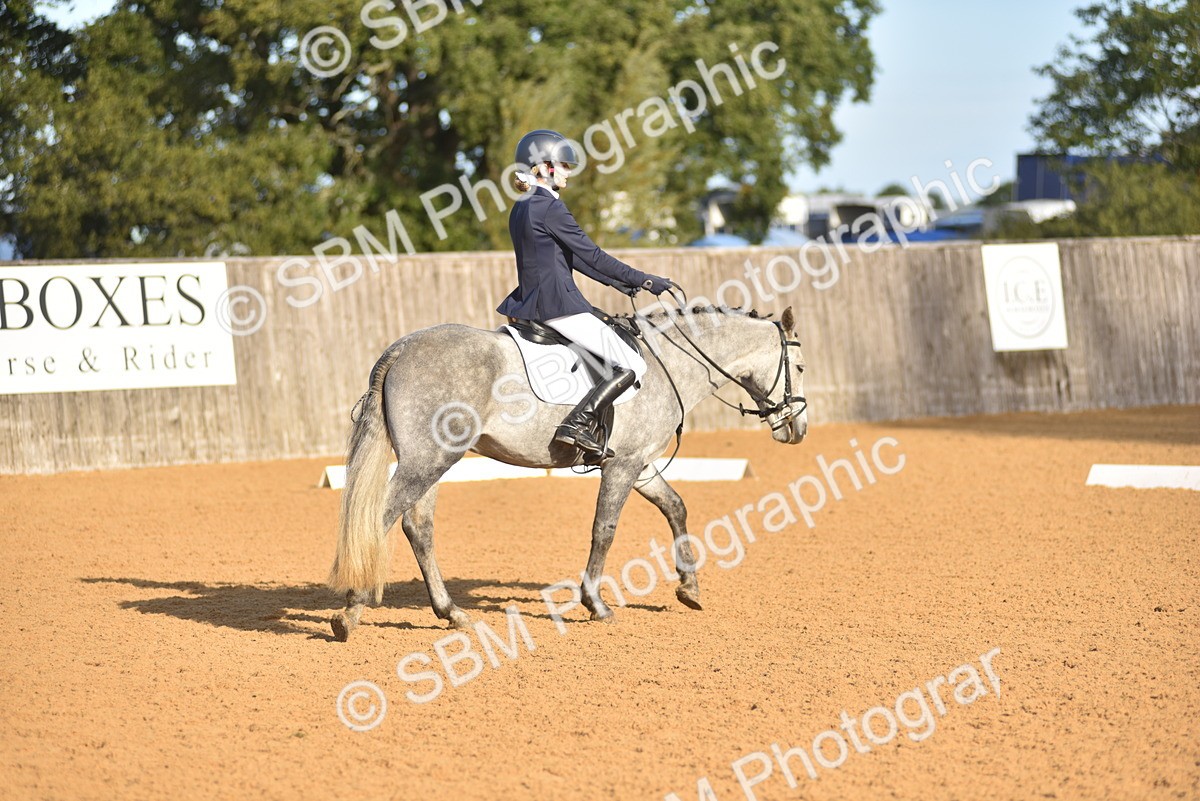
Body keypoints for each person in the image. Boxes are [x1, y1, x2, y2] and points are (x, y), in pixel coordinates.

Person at [497, 129, 673, 460]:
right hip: (557, 305)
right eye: (563, 164)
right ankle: (575, 425)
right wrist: (644, 279)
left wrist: (619, 284)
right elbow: (593, 254)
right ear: (544, 166)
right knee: (631, 363)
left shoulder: (523, 206)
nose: (569, 171)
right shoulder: (549, 207)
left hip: (533, 302)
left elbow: (571, 257)